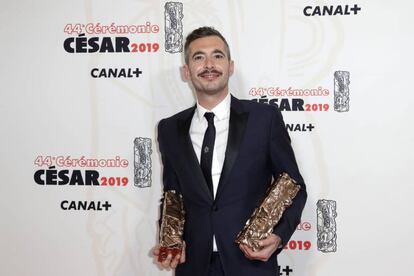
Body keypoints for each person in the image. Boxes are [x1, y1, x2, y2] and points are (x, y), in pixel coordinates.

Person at [153, 26, 307, 276]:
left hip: (250, 263)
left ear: (231, 66)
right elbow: (173, 194)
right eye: (198, 57)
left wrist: (278, 236)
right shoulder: (169, 129)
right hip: (193, 266)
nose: (209, 64)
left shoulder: (264, 119)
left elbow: (294, 186)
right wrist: (171, 239)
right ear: (186, 71)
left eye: (217, 55)